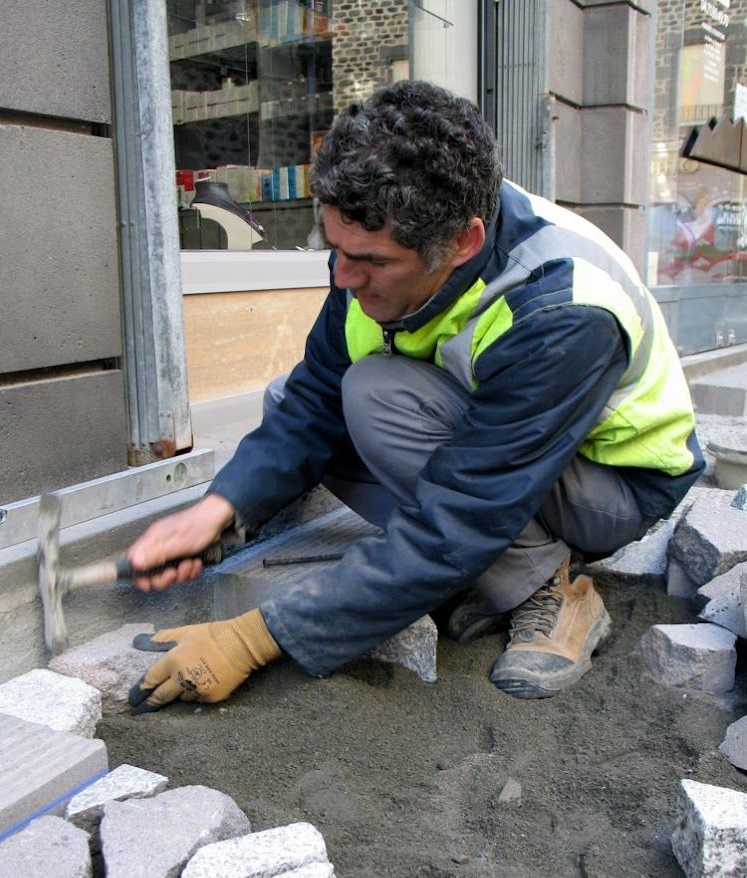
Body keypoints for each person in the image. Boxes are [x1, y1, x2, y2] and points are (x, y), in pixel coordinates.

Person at [127, 80, 704, 714]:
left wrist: (257, 638)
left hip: (614, 486)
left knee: (379, 398)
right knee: (304, 396)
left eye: (370, 260)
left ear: (461, 243)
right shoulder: (388, 238)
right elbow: (315, 397)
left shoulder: (562, 311)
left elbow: (462, 512)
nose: (343, 278)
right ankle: (469, 571)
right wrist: (222, 508)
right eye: (334, 249)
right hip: (503, 448)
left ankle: (549, 588)